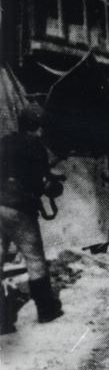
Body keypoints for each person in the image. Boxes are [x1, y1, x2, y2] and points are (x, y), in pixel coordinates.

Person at [0, 105, 64, 334]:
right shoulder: (36, 146)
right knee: (34, 259)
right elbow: (42, 183)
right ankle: (46, 310)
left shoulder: (4, 142)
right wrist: (55, 186)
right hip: (20, 209)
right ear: (38, 127)